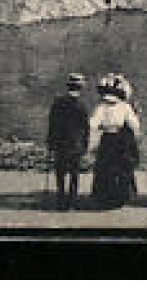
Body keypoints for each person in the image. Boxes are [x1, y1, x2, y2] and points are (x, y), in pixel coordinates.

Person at [87, 73, 141, 209]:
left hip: (107, 139)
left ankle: (104, 196)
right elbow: (135, 124)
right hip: (120, 140)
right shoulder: (124, 107)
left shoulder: (101, 108)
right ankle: (119, 197)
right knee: (119, 168)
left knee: (105, 168)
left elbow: (92, 124)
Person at [45, 73, 89, 210]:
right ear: (80, 88)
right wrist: (85, 145)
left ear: (68, 86)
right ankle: (72, 202)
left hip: (60, 143)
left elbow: (52, 124)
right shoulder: (82, 106)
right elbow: (85, 128)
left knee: (60, 173)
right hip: (76, 145)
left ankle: (60, 201)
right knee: (74, 174)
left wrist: (50, 142)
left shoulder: (58, 103)